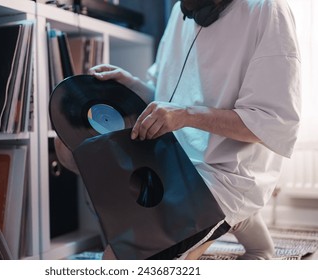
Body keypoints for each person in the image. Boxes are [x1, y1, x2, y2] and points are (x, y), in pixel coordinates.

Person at [55, 0, 301, 259]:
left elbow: (272, 123)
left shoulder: (268, 10)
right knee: (70, 148)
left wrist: (186, 115)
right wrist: (132, 84)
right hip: (170, 155)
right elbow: (167, 96)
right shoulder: (182, 10)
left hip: (224, 174)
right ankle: (235, 221)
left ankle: (234, 213)